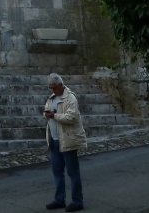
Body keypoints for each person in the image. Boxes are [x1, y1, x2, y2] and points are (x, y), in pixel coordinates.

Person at [43, 72, 87, 211]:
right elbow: (47, 113)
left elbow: (70, 118)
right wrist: (47, 114)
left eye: (54, 87)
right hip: (55, 140)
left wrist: (54, 115)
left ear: (61, 85)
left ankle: (77, 201)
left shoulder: (70, 98)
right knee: (57, 171)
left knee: (73, 172)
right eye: (50, 87)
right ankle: (59, 199)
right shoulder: (52, 98)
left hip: (67, 140)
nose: (52, 90)